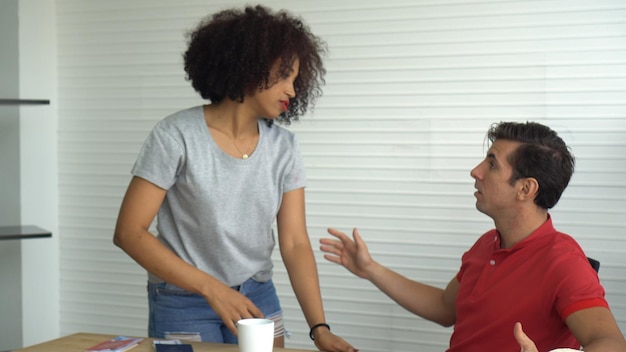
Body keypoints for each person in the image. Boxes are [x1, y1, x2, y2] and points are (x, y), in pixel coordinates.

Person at [113, 5, 357, 352]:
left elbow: (294, 243)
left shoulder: (284, 147)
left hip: (256, 296)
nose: (292, 89)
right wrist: (212, 289)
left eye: (295, 79)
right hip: (183, 300)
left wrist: (319, 328)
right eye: (284, 75)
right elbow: (129, 233)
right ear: (248, 65)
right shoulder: (175, 136)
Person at [320, 121, 626, 351]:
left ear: (525, 189)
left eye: (491, 164)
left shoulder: (563, 261)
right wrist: (370, 269)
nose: (475, 171)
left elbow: (609, 341)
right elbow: (444, 308)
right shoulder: (487, 244)